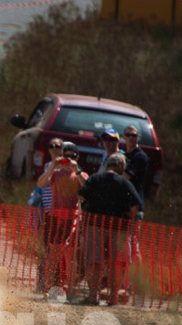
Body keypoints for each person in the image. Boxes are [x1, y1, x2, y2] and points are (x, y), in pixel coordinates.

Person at [77, 153, 141, 305]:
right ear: (120, 165)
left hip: (94, 225)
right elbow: (135, 204)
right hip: (118, 227)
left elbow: (81, 196)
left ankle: (93, 297)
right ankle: (112, 299)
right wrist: (129, 215)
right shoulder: (124, 183)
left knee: (94, 262)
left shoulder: (94, 178)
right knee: (116, 264)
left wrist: (89, 207)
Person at [36, 141, 86, 294]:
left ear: (77, 157)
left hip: (72, 219)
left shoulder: (80, 174)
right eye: (66, 156)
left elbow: (88, 188)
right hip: (55, 218)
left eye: (72, 156)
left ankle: (70, 288)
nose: (69, 159)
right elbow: (40, 183)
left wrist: (76, 170)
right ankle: (48, 286)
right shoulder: (56, 173)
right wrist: (52, 166)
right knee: (53, 253)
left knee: (70, 254)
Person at [122, 125, 148, 218]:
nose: (131, 137)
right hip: (124, 204)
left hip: (134, 207)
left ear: (138, 137)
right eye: (128, 135)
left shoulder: (140, 157)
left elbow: (124, 177)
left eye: (134, 135)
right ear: (123, 137)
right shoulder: (124, 156)